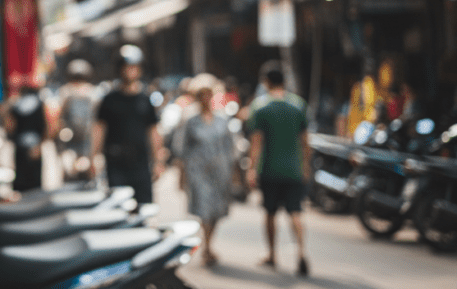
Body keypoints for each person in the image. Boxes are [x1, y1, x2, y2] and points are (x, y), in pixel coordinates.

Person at [246, 65, 311, 276]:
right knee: (295, 212)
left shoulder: (260, 106)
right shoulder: (298, 105)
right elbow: (305, 141)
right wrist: (306, 167)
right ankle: (301, 252)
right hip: (294, 169)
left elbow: (256, 143)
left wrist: (251, 169)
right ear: (284, 81)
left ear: (266, 82)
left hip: (270, 169)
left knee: (270, 213)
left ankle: (272, 254)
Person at [173, 75, 236, 267]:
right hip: (198, 171)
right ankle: (207, 247)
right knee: (204, 208)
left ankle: (209, 242)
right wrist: (181, 174)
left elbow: (230, 147)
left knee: (217, 210)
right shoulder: (190, 120)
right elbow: (181, 148)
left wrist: (234, 174)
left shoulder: (222, 119)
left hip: (220, 171)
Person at [91, 46, 165, 204]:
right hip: (115, 162)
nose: (131, 71)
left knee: (144, 206)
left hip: (140, 162)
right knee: (118, 206)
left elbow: (153, 131)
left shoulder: (146, 99)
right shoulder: (109, 100)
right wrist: (94, 157)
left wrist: (158, 161)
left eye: (134, 67)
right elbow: (99, 129)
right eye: (127, 68)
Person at [56, 59, 98, 181]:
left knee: (88, 169)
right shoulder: (66, 92)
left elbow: (96, 118)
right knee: (68, 168)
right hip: (70, 138)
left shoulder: (92, 93)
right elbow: (60, 115)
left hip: (87, 137)